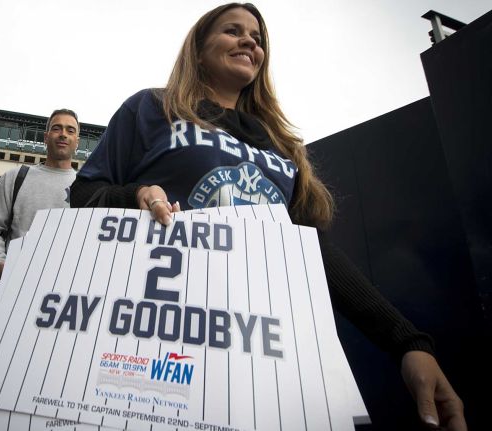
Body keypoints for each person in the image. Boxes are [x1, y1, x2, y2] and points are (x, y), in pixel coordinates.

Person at [70, 3, 466, 430]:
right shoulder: (152, 108)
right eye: (232, 31)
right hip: (157, 335)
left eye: (257, 39)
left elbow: (310, 252)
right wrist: (137, 195)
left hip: (257, 347)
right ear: (199, 50)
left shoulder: (282, 146)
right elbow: (84, 193)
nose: (249, 42)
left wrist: (407, 343)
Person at [0, 108, 79, 284]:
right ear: (46, 137)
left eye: (70, 130)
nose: (63, 134)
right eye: (56, 128)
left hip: (67, 285)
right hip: (16, 284)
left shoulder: (86, 186)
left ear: (77, 142)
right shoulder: (15, 178)